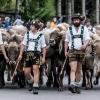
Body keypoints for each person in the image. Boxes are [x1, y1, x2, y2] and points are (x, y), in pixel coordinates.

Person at [18, 22, 46, 94]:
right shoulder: (27, 34)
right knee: (26, 72)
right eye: (30, 26)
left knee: (35, 69)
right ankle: (31, 82)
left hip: (36, 54)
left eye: (32, 26)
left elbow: (43, 47)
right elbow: (23, 45)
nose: (31, 27)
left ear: (36, 27)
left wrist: (43, 57)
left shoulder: (41, 35)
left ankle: (35, 86)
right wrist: (20, 54)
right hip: (27, 54)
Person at [64, 13, 90, 94]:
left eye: (77, 20)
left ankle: (77, 85)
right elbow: (66, 41)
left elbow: (87, 39)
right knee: (73, 68)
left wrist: (85, 45)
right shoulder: (69, 29)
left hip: (81, 51)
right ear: (73, 21)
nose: (76, 21)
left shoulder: (84, 28)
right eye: (74, 20)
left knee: (79, 69)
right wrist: (65, 50)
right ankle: (72, 84)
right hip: (72, 51)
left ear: (80, 21)